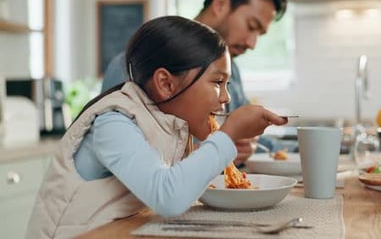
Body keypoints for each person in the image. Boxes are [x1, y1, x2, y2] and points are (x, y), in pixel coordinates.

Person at [26, 16, 288, 239]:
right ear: (165, 83)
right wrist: (228, 135)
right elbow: (167, 197)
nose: (226, 98)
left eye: (227, 84)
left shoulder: (169, 125)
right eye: (218, 82)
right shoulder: (114, 122)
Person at [101, 0, 291, 165]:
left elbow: (248, 133)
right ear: (221, 4)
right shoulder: (132, 67)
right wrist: (213, 150)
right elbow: (121, 154)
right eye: (251, 26)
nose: (252, 43)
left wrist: (250, 143)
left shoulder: (232, 70)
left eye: (260, 34)